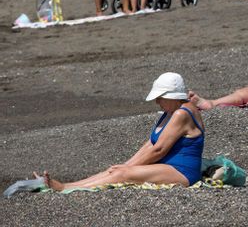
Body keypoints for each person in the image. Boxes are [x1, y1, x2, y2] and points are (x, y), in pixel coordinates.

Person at [5, 73, 205, 196]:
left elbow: (159, 150)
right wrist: (126, 164)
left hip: (183, 172)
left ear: (171, 96)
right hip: (167, 165)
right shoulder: (169, 112)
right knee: (115, 171)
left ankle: (65, 189)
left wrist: (127, 168)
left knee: (122, 174)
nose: (157, 102)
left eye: (160, 98)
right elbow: (149, 145)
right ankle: (67, 186)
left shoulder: (181, 114)